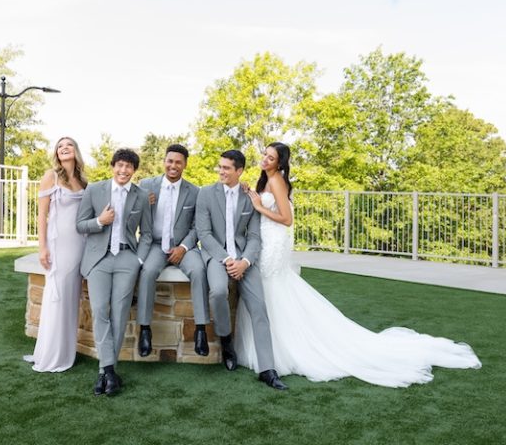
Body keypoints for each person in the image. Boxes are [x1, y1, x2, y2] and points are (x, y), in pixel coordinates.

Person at [235, 142, 482, 387]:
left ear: (280, 163)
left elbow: (286, 219)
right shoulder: (266, 179)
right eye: (264, 154)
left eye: (271, 157)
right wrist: (250, 193)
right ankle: (266, 348)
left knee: (271, 289)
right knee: (270, 290)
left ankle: (279, 351)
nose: (265, 159)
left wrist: (259, 206)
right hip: (266, 236)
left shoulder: (277, 180)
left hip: (273, 240)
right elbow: (265, 203)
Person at [195, 149, 287, 390]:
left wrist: (245, 261)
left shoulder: (249, 198)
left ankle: (267, 369)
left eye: (226, 168)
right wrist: (227, 259)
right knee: (217, 292)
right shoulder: (205, 193)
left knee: (259, 307)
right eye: (220, 167)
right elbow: (204, 234)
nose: (221, 171)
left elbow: (254, 236)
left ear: (239, 171)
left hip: (244, 257)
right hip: (216, 256)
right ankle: (226, 341)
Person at [76, 148, 152, 396]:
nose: (123, 170)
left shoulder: (141, 196)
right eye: (120, 165)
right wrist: (100, 221)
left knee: (119, 314)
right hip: (99, 258)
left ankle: (105, 372)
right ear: (113, 166)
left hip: (127, 259)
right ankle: (108, 371)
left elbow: (147, 233)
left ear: (134, 170)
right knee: (100, 311)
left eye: (129, 166)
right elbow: (80, 225)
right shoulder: (94, 190)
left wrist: (138, 260)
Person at [136, 144, 209, 357]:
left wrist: (183, 247)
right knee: (148, 272)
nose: (173, 165)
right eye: (170, 161)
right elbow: (131, 212)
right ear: (164, 162)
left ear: (185, 164)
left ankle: (201, 329)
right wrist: (142, 203)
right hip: (155, 245)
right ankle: (145, 329)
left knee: (199, 271)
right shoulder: (146, 185)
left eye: (178, 162)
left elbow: (197, 227)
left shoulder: (195, 191)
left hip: (185, 246)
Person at [25, 137, 88, 372]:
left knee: (71, 299)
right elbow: (42, 215)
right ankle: (51, 354)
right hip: (58, 246)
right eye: (60, 146)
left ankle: (65, 351)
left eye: (68, 145)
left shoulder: (83, 181)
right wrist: (42, 247)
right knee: (57, 297)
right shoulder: (50, 176)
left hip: (80, 245)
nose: (64, 148)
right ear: (57, 153)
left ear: (75, 151)